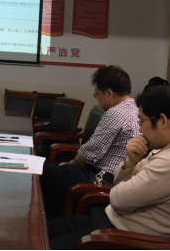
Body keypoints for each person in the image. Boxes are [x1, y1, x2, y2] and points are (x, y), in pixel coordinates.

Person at [49, 85, 170, 250]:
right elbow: (120, 187)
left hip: (125, 238)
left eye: (142, 121)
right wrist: (131, 161)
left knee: (45, 242)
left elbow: (118, 199)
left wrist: (134, 176)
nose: (139, 129)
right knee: (47, 230)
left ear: (162, 121)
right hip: (114, 222)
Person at [41, 66, 139, 220]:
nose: (97, 99)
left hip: (100, 178)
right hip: (115, 178)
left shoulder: (116, 113)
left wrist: (69, 165)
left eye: (97, 94)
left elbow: (89, 155)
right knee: (52, 174)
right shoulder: (135, 110)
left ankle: (44, 223)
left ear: (109, 93)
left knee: (41, 173)